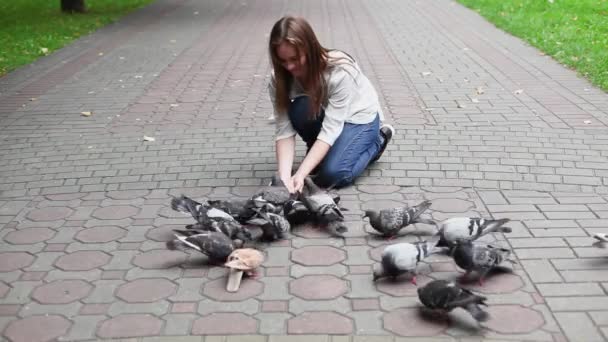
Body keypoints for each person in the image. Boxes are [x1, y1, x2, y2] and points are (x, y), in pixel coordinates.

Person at [268, 15, 394, 194]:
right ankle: (321, 154)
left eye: (295, 59)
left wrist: (301, 174)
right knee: (298, 109)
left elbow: (330, 130)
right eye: (283, 60)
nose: (289, 67)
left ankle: (378, 140)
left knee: (333, 175)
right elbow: (284, 131)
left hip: (359, 118)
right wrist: (284, 178)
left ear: (309, 49)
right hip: (327, 113)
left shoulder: (339, 71)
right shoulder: (278, 78)